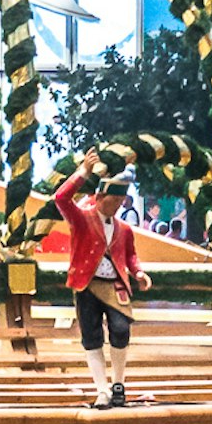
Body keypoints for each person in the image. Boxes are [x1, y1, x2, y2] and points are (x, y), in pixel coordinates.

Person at [51, 165, 148, 410]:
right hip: (87, 284)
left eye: (121, 201)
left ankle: (118, 383)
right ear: (100, 197)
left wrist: (138, 272)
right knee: (91, 337)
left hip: (115, 285)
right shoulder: (82, 219)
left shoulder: (124, 228)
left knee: (121, 329)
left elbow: (129, 255)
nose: (117, 206)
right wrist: (83, 172)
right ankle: (101, 389)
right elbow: (61, 198)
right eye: (113, 200)